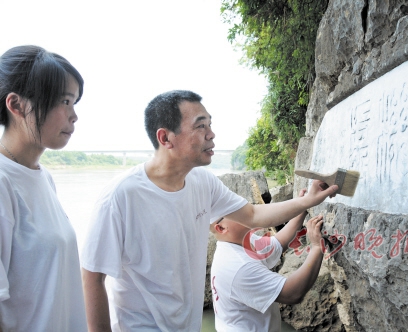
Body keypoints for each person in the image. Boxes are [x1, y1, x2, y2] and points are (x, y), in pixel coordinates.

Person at [81, 90, 338, 332]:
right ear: (165, 138)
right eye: (200, 125)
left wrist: (307, 201)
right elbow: (92, 277)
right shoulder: (120, 197)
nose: (211, 134)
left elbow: (252, 215)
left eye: (210, 124)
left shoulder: (202, 182)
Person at [0, 45, 87, 331]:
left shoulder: (42, 177)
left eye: (74, 102)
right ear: (16, 105)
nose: (73, 115)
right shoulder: (3, 182)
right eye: (64, 100)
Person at [210, 188, 326, 331]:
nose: (244, 209)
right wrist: (316, 247)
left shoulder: (242, 240)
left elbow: (277, 244)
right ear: (221, 228)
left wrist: (301, 207)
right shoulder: (237, 266)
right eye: (234, 210)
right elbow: (292, 293)